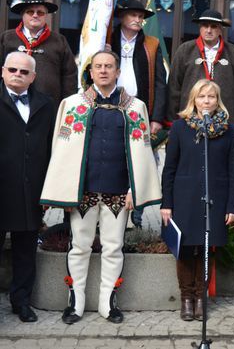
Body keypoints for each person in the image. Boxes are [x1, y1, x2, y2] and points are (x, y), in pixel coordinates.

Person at [39, 51, 161, 324]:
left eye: (109, 66)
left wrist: (135, 188)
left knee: (113, 247)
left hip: (119, 192)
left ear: (118, 72)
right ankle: (75, 303)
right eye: (98, 67)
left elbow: (141, 152)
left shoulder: (134, 106)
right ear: (90, 72)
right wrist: (62, 188)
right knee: (79, 247)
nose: (103, 71)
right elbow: (60, 150)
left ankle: (108, 303)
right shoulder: (72, 104)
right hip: (83, 191)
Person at [160, 80, 234, 322]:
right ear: (193, 99)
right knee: (185, 249)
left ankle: (200, 297)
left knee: (206, 247)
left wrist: (232, 206)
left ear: (218, 101)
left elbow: (233, 171)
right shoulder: (180, 127)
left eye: (211, 97)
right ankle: (186, 298)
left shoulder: (229, 130)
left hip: (215, 197)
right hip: (185, 197)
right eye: (202, 96)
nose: (206, 101)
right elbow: (169, 168)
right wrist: (166, 203)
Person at [0, 52, 55, 322]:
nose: (18, 74)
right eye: (13, 69)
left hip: (30, 189)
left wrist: (49, 188)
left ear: (33, 77)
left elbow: (51, 148)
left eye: (24, 72)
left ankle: (21, 302)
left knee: (25, 250)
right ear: (3, 71)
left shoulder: (46, 105)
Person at [109, 0, 168, 228]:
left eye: (141, 16)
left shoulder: (151, 44)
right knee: (113, 159)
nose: (138, 20)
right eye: (133, 15)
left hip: (141, 110)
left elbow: (161, 84)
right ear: (122, 17)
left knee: (141, 162)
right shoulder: (107, 39)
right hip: (110, 108)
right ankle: (111, 210)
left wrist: (156, 118)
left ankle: (137, 214)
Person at [168, 9, 234, 134]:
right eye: (205, 26)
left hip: (225, 121)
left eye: (213, 26)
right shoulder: (185, 50)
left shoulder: (233, 52)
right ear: (200, 28)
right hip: (189, 119)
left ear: (220, 29)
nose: (209, 30)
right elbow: (174, 87)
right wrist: (171, 122)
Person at [0, 0, 77, 105]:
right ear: (22, 14)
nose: (35, 15)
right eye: (30, 12)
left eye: (40, 12)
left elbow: (69, 75)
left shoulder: (59, 41)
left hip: (48, 107)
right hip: (8, 104)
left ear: (46, 15)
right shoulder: (6, 38)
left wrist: (66, 105)